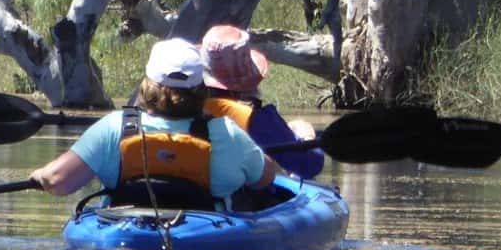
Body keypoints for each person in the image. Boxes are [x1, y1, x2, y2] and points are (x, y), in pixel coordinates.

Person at [28, 37, 281, 208]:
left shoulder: (114, 127)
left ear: (148, 84)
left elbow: (57, 181)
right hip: (201, 241)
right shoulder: (225, 133)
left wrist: (40, 176)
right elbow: (265, 178)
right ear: (201, 88)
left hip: (124, 240)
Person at [197, 23, 325, 182]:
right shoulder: (258, 120)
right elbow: (310, 164)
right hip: (244, 200)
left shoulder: (182, 108)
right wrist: (307, 137)